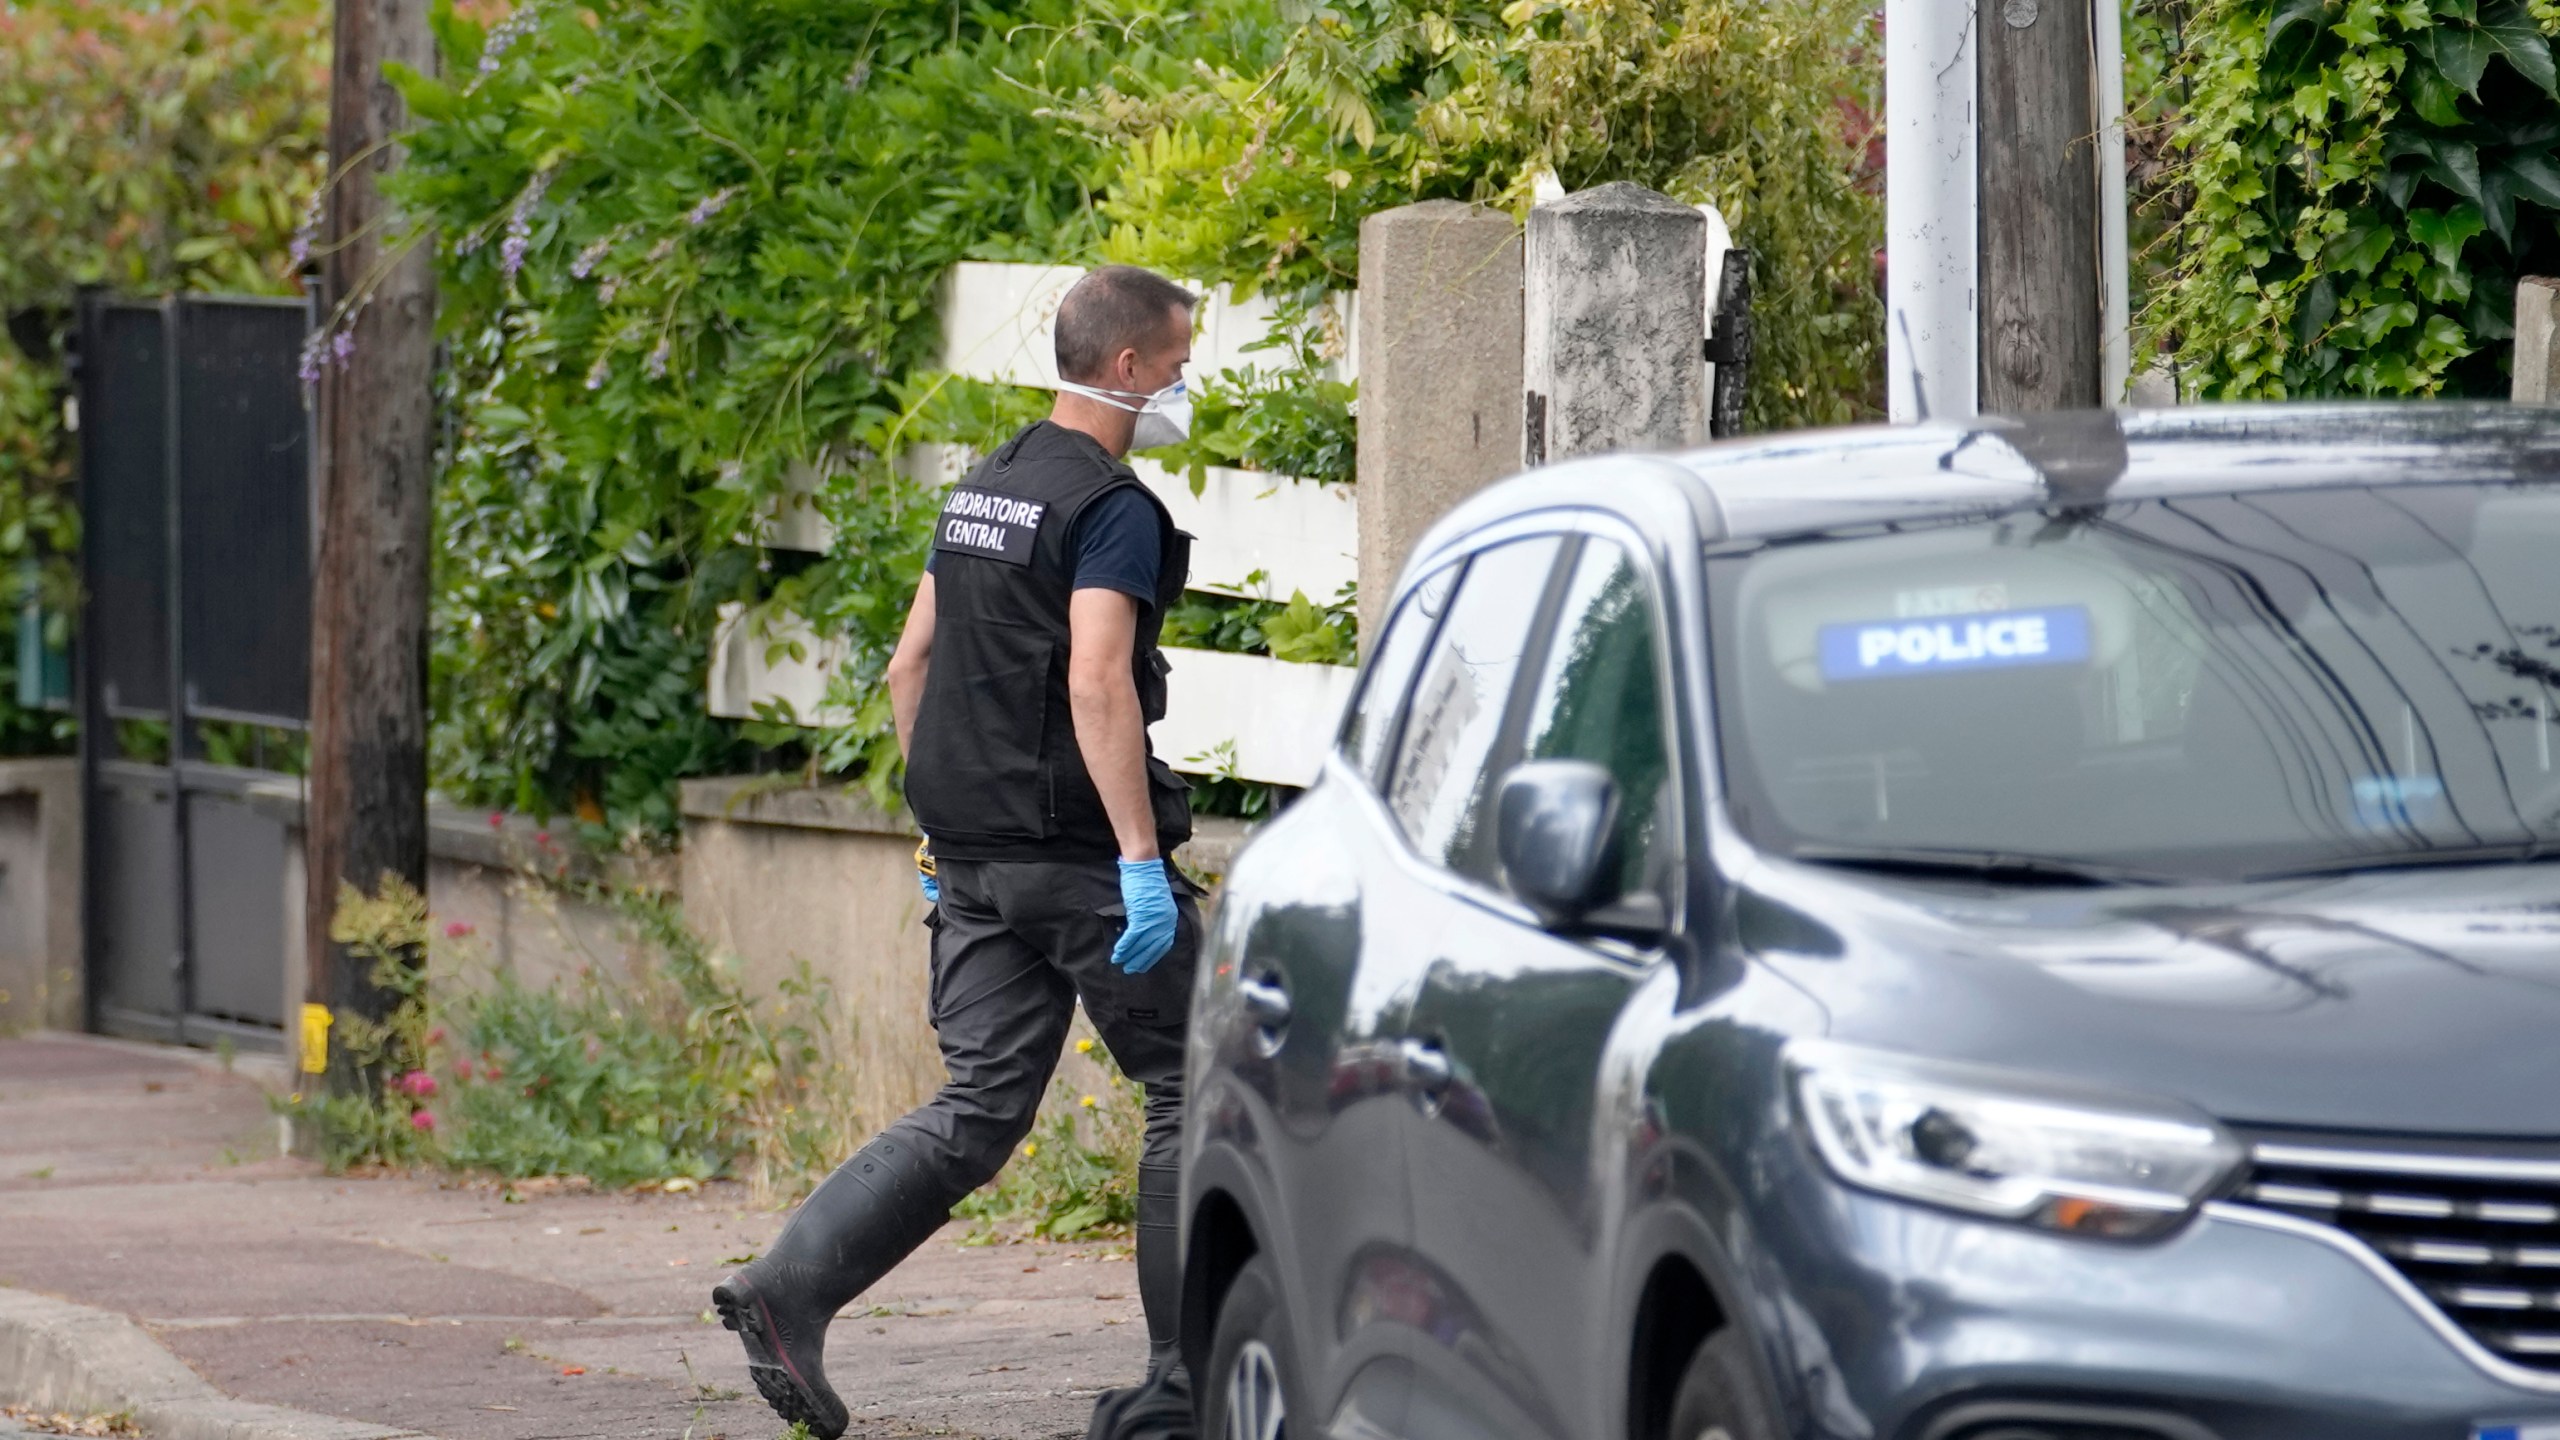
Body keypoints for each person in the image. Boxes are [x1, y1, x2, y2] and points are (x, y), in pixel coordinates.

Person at [713, 265, 1204, 1440]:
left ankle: (787, 1292)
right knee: (1199, 1083)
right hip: (1076, 854)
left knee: (982, 1103)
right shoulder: (1110, 506)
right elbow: (1097, 676)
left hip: (974, 857)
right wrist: (1138, 856)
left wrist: (939, 827)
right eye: (1179, 363)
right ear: (1126, 368)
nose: (1187, 382)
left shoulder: (985, 485)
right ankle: (1182, 1389)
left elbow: (906, 668)